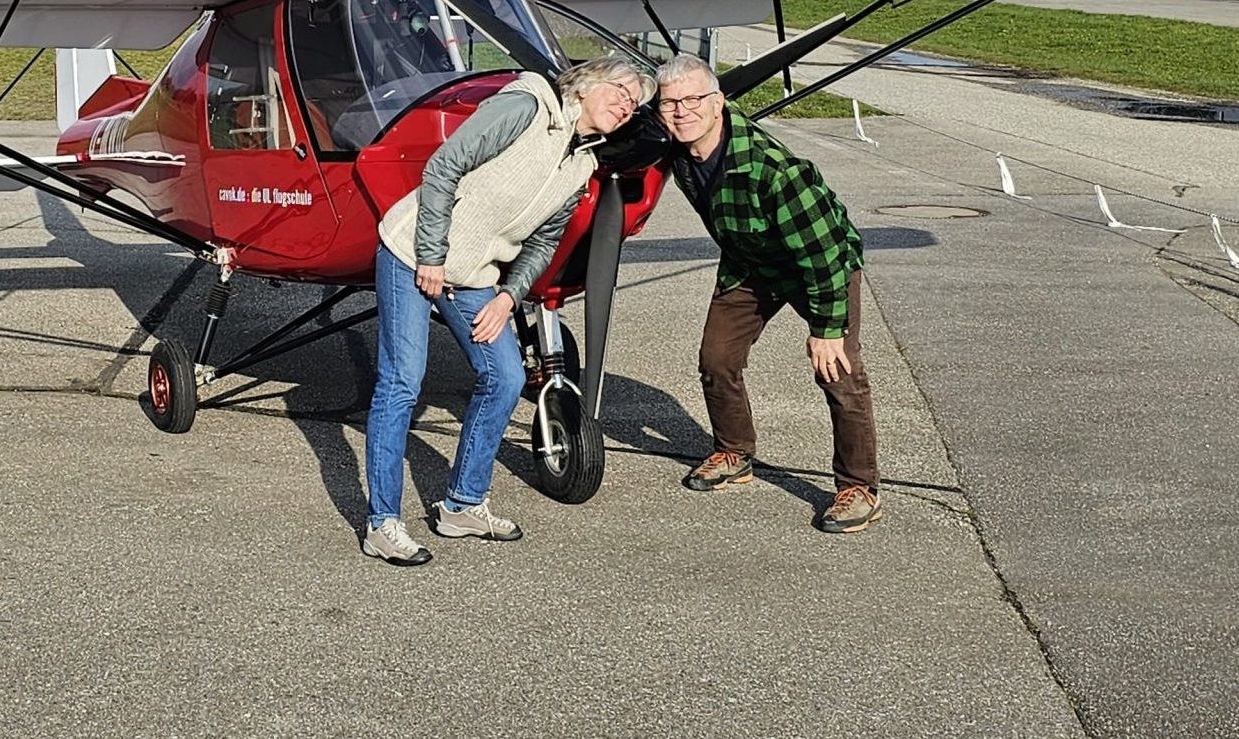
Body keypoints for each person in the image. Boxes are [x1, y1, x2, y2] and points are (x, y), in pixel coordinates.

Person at [361, 54, 652, 566]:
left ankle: (462, 505)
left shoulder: (581, 163)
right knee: (403, 379)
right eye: (621, 92)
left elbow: (542, 243)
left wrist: (507, 297)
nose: (627, 106)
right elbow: (445, 165)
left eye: (635, 104)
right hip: (413, 251)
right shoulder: (527, 105)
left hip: (476, 277)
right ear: (585, 87)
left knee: (507, 377)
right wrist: (431, 254)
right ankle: (382, 523)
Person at [653, 54, 882, 534]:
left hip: (817, 266)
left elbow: (824, 253)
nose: (681, 110)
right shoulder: (676, 147)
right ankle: (734, 452)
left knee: (838, 371)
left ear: (719, 103)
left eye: (693, 99)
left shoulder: (776, 171)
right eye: (669, 102)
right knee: (717, 359)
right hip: (750, 264)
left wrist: (826, 329)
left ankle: (859, 487)